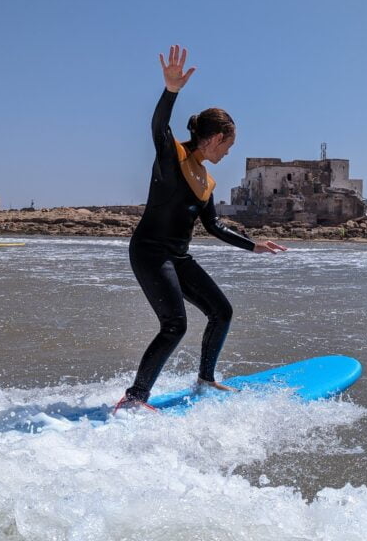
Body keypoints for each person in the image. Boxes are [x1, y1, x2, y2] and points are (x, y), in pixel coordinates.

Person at [117, 45, 287, 412]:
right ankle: (134, 399)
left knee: (221, 311)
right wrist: (171, 90)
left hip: (177, 256)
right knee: (175, 325)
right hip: (149, 252)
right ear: (213, 139)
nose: (229, 152)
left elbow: (214, 224)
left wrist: (253, 245)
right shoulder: (172, 156)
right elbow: (157, 125)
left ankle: (206, 378)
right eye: (228, 144)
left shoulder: (205, 181)